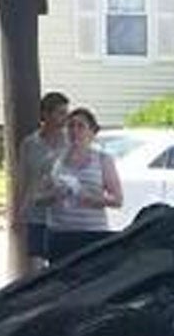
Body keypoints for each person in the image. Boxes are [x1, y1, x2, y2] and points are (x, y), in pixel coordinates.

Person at [45, 106, 123, 261]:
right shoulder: (53, 160)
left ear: (92, 132)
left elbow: (117, 200)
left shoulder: (103, 160)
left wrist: (87, 197)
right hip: (60, 233)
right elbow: (36, 198)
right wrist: (55, 194)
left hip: (92, 233)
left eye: (81, 126)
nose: (75, 131)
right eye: (70, 126)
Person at [18, 90, 70, 264]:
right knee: (36, 264)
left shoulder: (70, 142)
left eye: (66, 113)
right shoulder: (30, 144)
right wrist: (20, 212)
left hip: (63, 214)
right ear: (45, 114)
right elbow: (24, 179)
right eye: (60, 113)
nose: (65, 118)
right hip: (36, 213)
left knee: (62, 262)